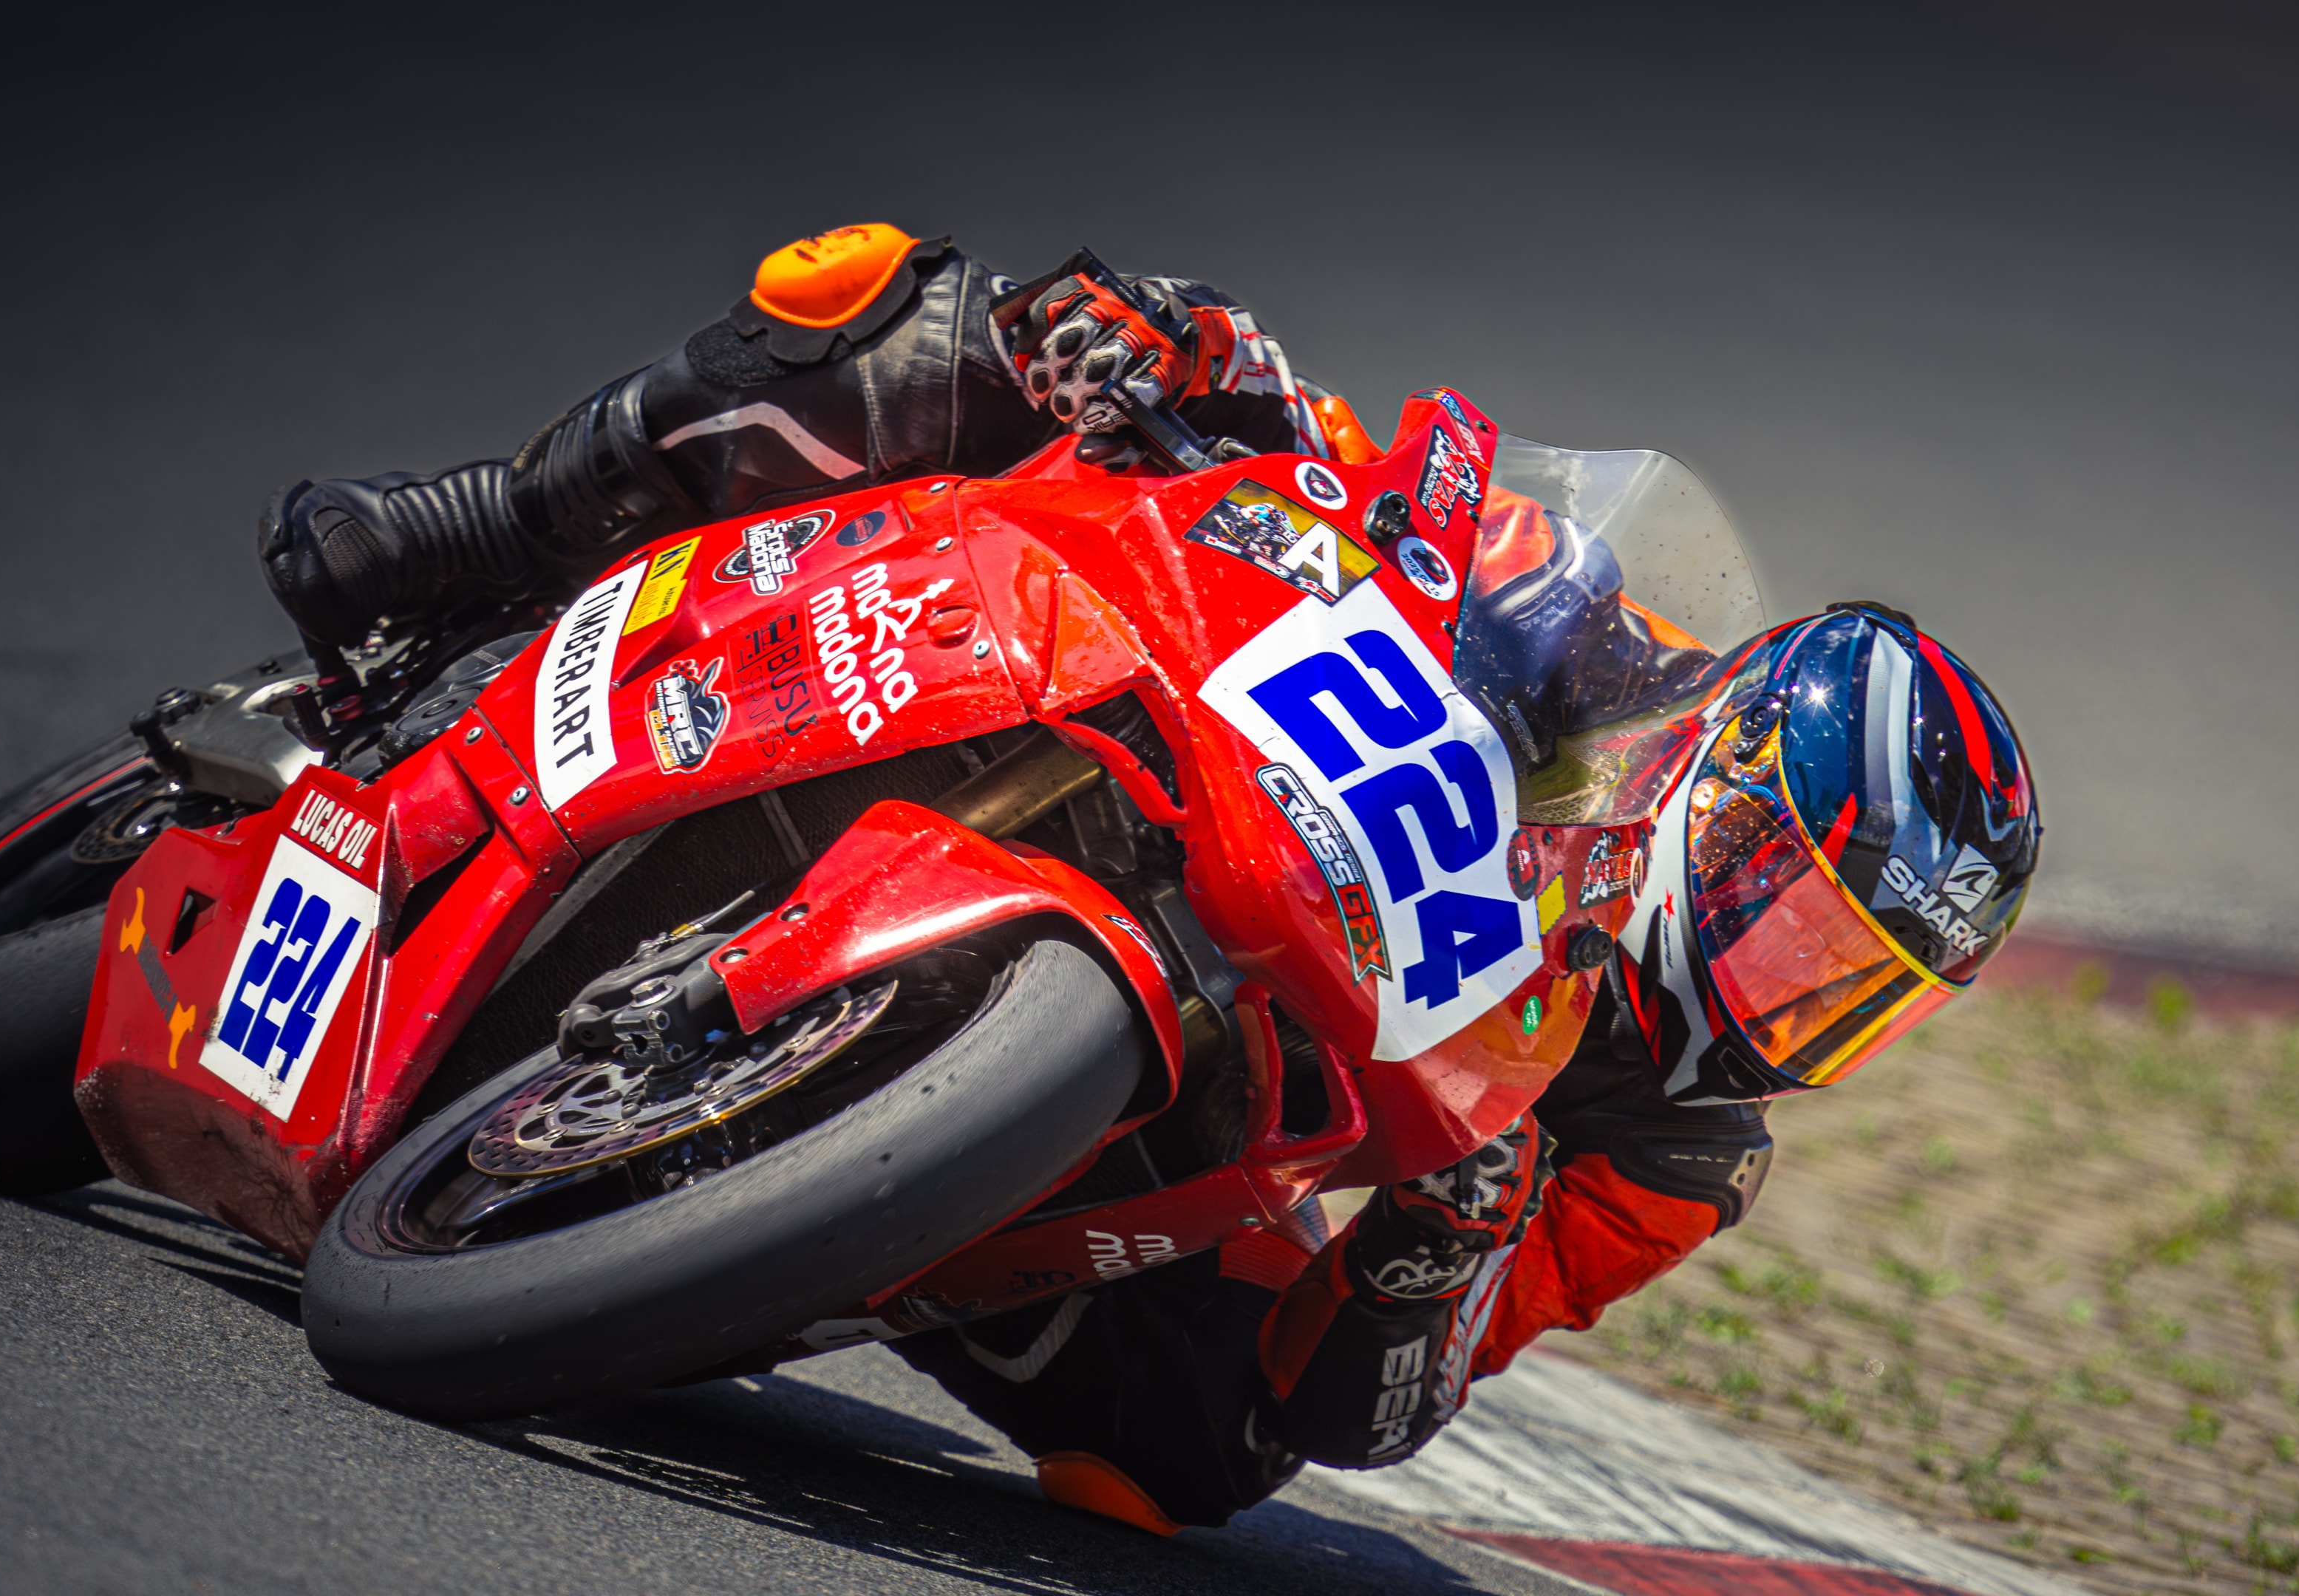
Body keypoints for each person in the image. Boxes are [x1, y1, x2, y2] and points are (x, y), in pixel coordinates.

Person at [258, 224, 2040, 1533]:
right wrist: (1193, 352)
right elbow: (1349, 464)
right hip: (1145, 702)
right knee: (908, 315)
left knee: (1189, 1463)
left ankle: (780, 1219)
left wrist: (1441, 1245)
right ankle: (473, 527)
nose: (1784, 997)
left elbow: (1370, 1411)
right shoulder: (1590, 623)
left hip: (1220, 1064)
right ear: (1719, 793)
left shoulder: (1670, 1150)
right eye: (1798, 926)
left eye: (1852, 993)